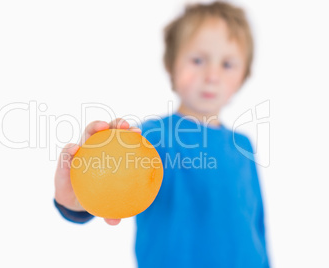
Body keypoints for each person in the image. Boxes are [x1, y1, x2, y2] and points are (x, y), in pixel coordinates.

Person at [53, 1, 270, 267]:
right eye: (198, 60)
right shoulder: (152, 138)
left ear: (244, 75)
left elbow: (257, 222)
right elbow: (109, 187)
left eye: (227, 64)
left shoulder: (242, 145)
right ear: (171, 65)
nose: (212, 75)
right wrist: (76, 203)